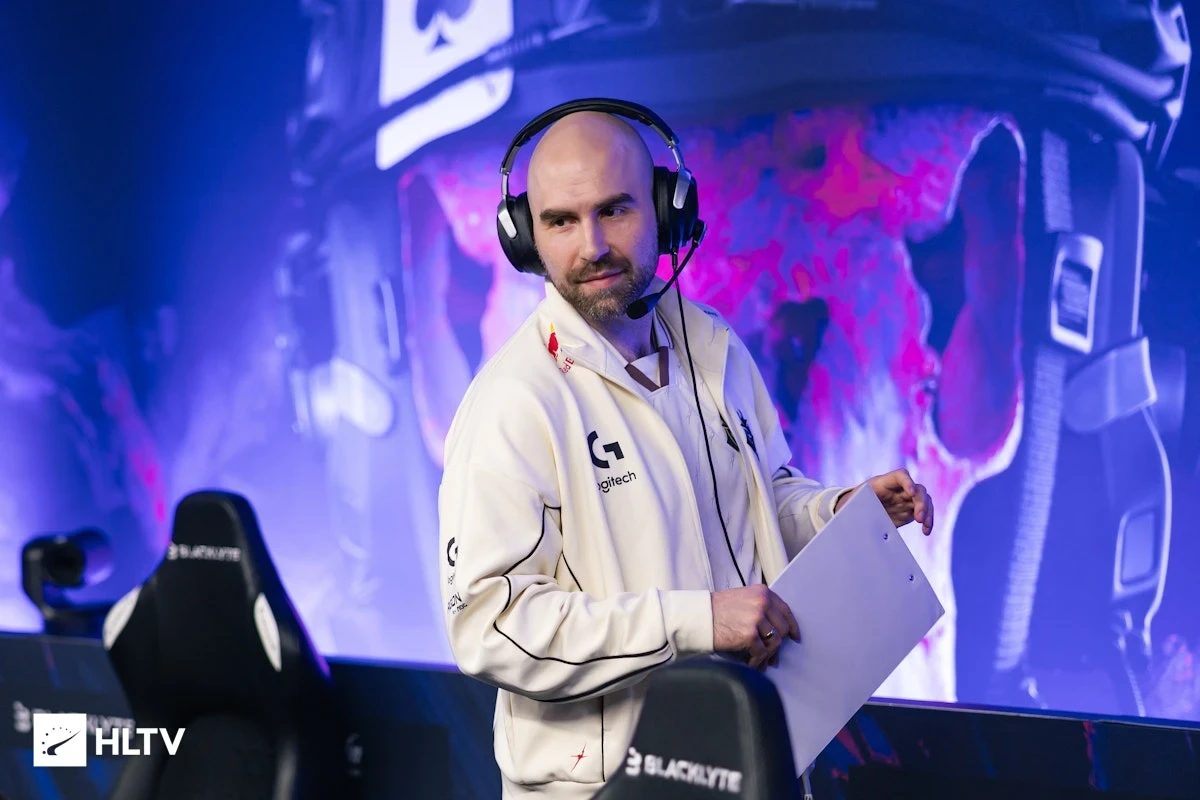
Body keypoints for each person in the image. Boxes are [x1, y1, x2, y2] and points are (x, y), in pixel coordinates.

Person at [438, 99, 935, 799]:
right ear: (525, 237)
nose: (592, 245)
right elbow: (491, 626)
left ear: (667, 207)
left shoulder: (711, 345)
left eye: (614, 210)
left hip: (750, 760)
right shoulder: (513, 401)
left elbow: (758, 501)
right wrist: (697, 621)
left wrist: (838, 512)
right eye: (560, 221)